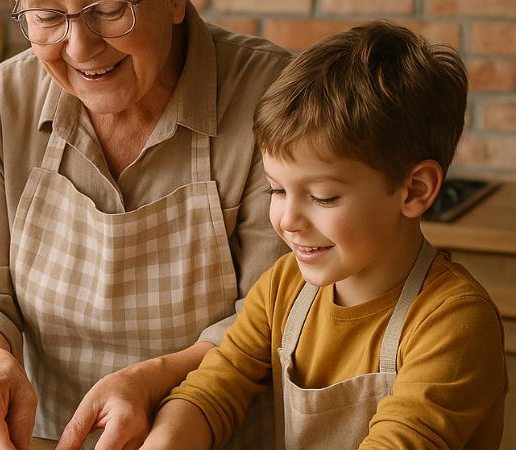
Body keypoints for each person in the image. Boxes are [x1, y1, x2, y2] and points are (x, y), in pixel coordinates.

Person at [0, 0, 292, 448]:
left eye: (110, 8)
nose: (79, 47)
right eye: (47, 16)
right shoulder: (5, 100)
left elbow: (276, 317)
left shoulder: (271, 93)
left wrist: (151, 380)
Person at [141, 20, 508, 449]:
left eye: (323, 197)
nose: (288, 220)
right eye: (277, 189)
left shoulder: (453, 322)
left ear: (415, 190)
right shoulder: (283, 286)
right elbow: (211, 390)